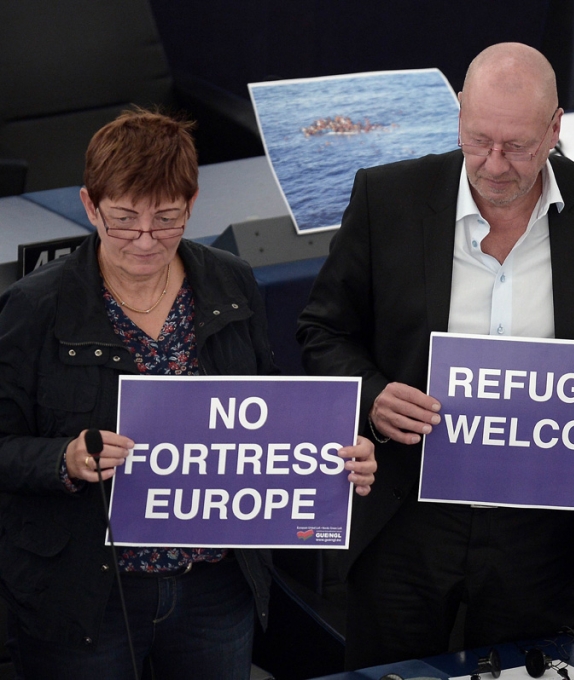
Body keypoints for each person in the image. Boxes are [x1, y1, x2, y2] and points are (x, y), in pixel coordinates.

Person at [298, 42, 574, 668]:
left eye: (516, 146)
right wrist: (374, 397)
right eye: (478, 139)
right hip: (408, 518)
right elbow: (322, 331)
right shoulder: (388, 198)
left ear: (555, 129)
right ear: (459, 114)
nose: (494, 164)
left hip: (538, 527)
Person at [0, 109, 376, 679]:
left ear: (192, 204)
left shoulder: (230, 280)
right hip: (88, 598)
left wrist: (334, 447)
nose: (146, 239)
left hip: (215, 589)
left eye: (167, 218)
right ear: (89, 205)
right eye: (124, 220)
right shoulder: (35, 307)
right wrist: (65, 459)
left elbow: (267, 406)